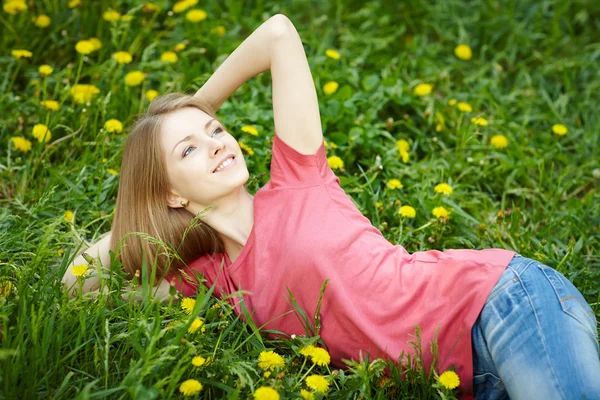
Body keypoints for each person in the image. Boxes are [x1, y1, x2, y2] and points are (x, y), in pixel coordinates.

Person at [61, 14, 600, 400]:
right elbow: (77, 283)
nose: (218, 143)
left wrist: (194, 108)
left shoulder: (298, 176)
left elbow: (277, 33)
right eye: (189, 150)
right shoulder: (213, 283)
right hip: (465, 382)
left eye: (217, 132)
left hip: (501, 306)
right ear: (170, 194)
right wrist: (141, 202)